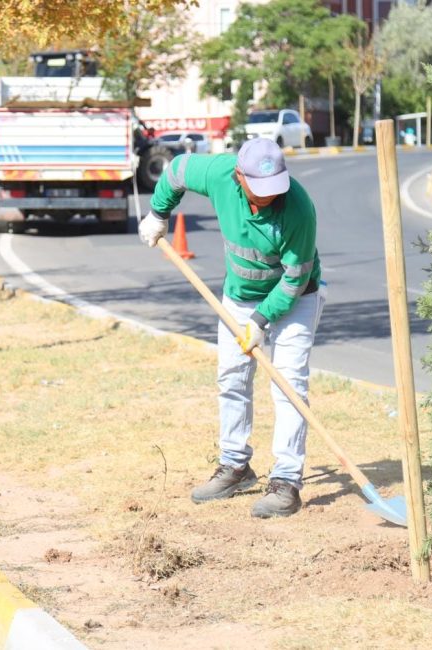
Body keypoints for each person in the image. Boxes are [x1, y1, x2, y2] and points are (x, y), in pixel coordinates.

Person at [138, 138, 324, 519]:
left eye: (276, 190)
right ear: (240, 176)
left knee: (288, 383)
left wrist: (262, 320)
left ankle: (286, 482)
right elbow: (175, 171)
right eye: (261, 190)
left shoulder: (298, 207)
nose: (271, 198)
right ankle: (235, 466)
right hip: (239, 297)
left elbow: (294, 279)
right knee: (231, 377)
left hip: (296, 298)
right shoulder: (220, 174)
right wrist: (159, 213)